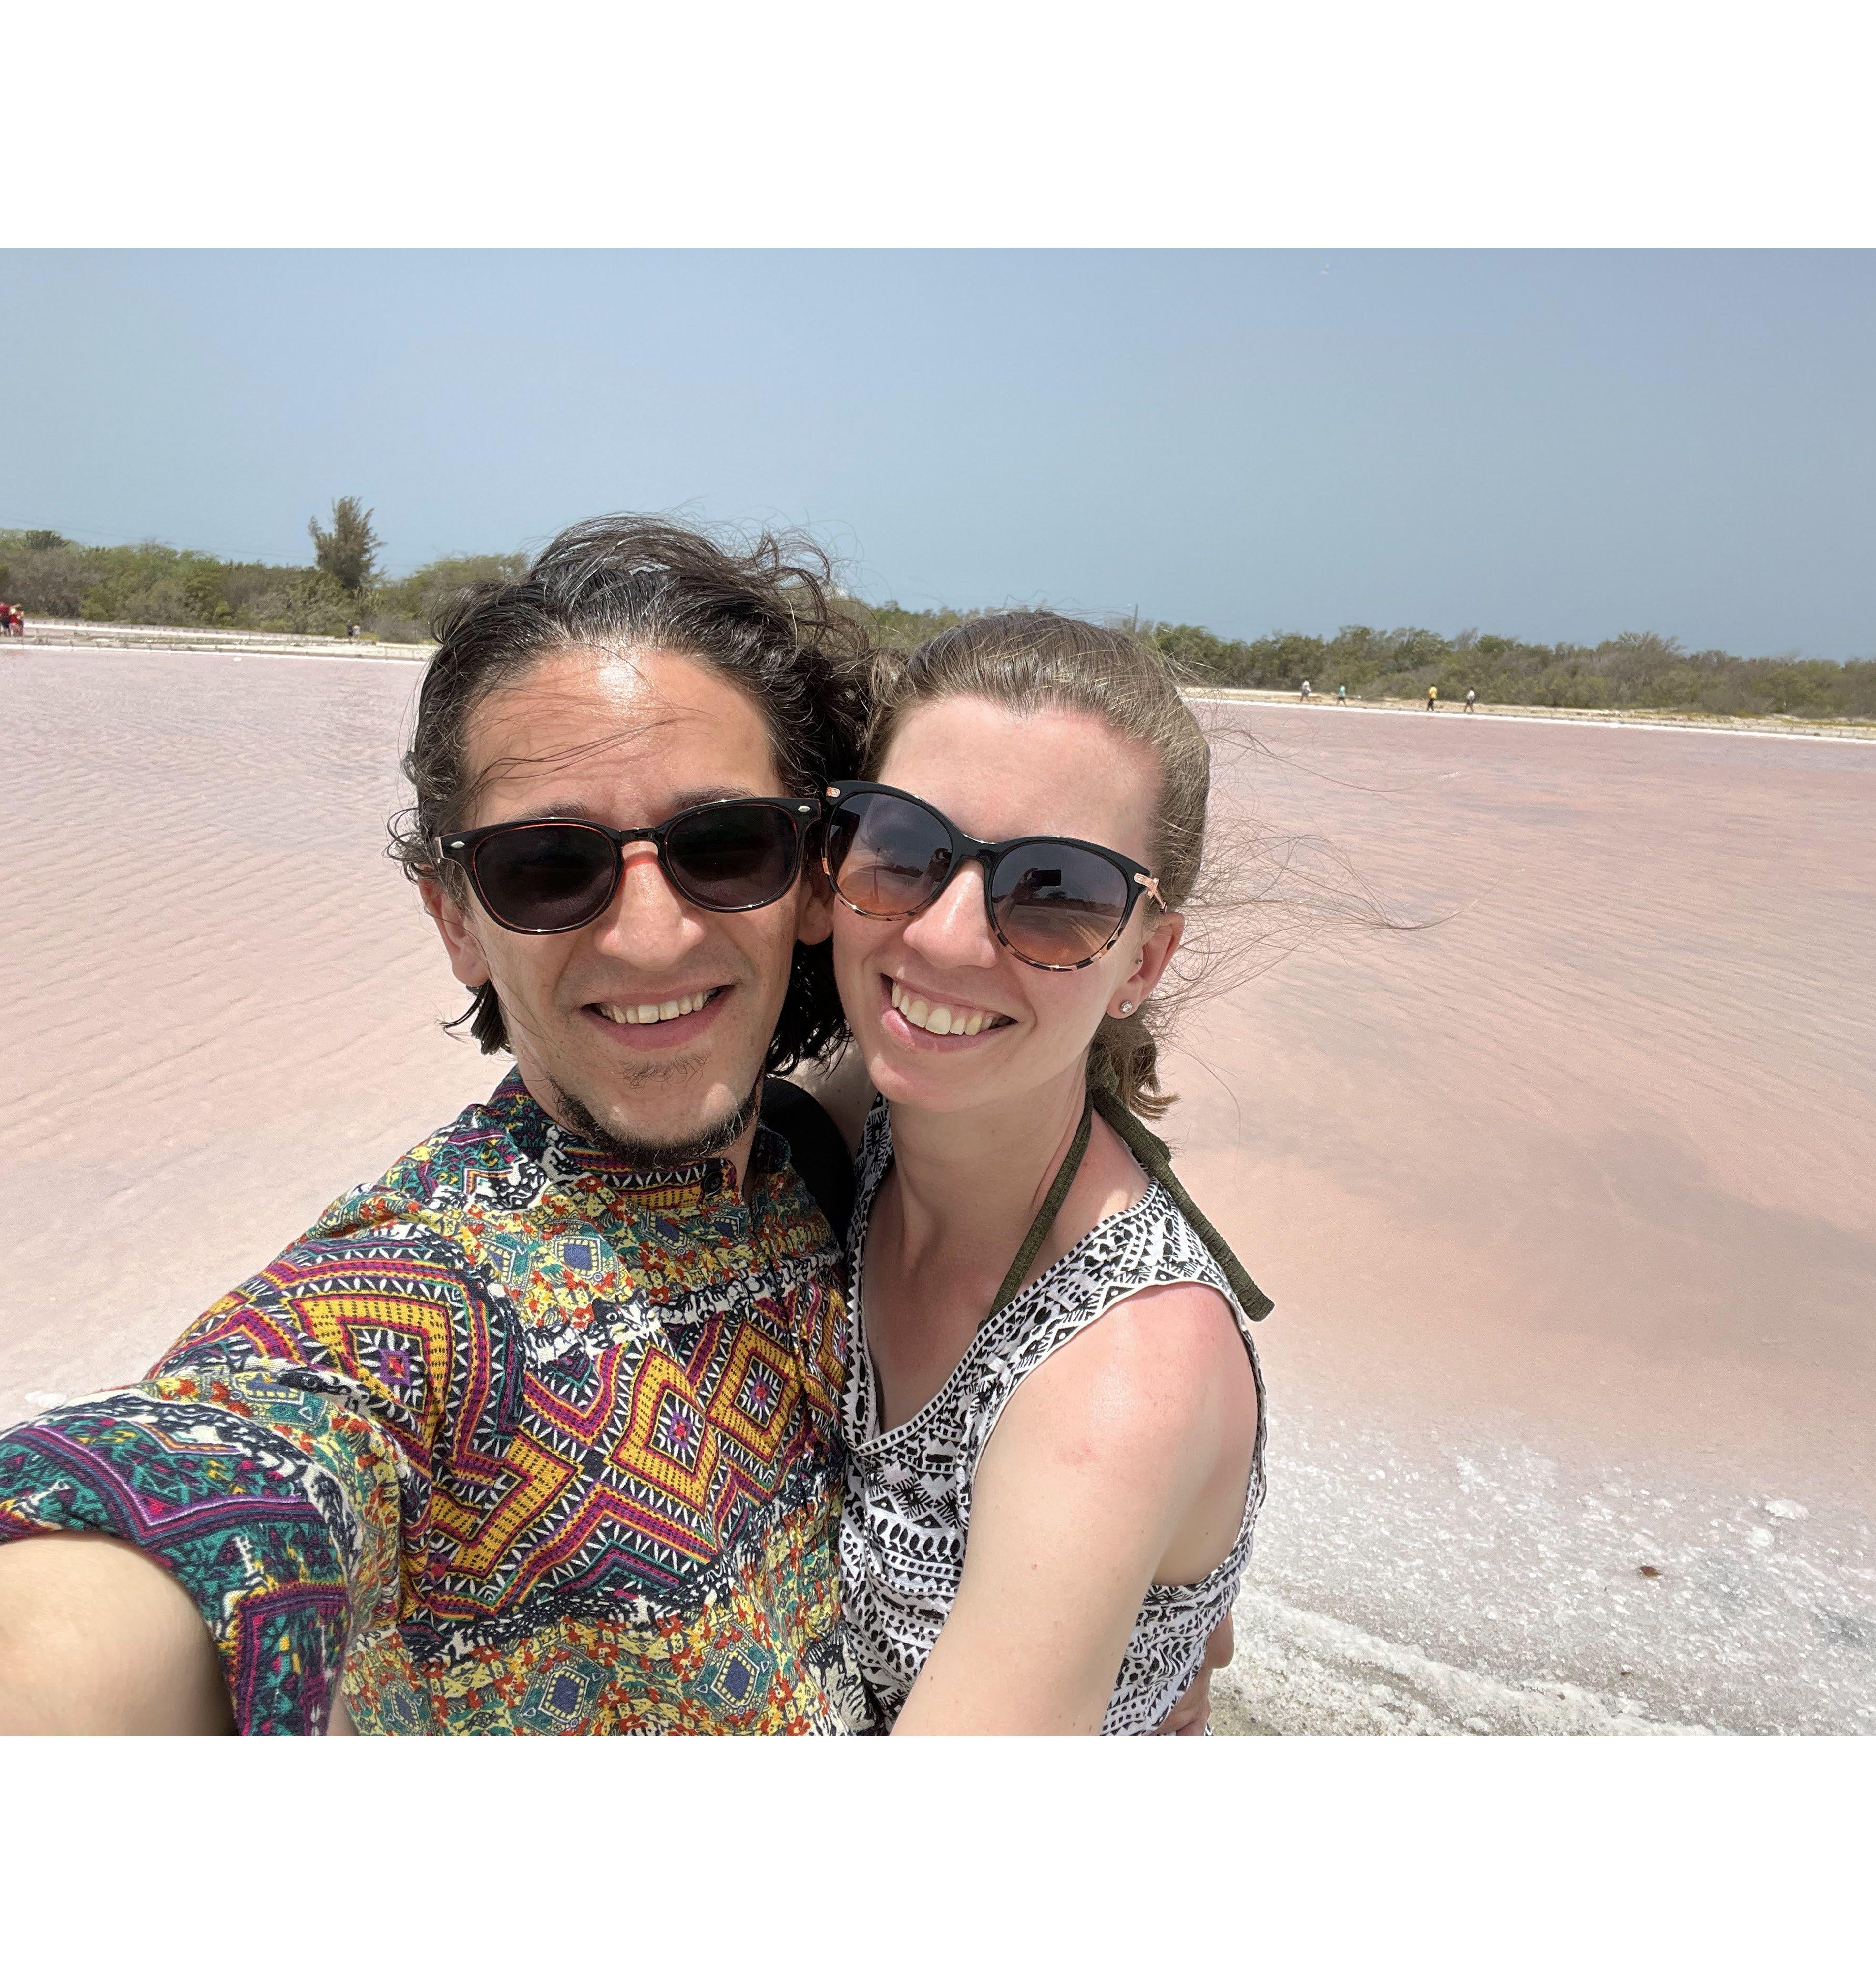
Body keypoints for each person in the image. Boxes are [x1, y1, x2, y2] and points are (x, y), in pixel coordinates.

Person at [0, 517, 881, 1735]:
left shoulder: (830, 1174)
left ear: (818, 877)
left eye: (725, 845)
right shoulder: (417, 1307)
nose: (649, 933)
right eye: (547, 865)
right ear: (457, 920)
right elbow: (219, 1478)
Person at [820, 613, 1269, 1734]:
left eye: (1055, 890)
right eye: (905, 847)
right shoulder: (852, 1122)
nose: (947, 938)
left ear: (1142, 961)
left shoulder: (1121, 1378)